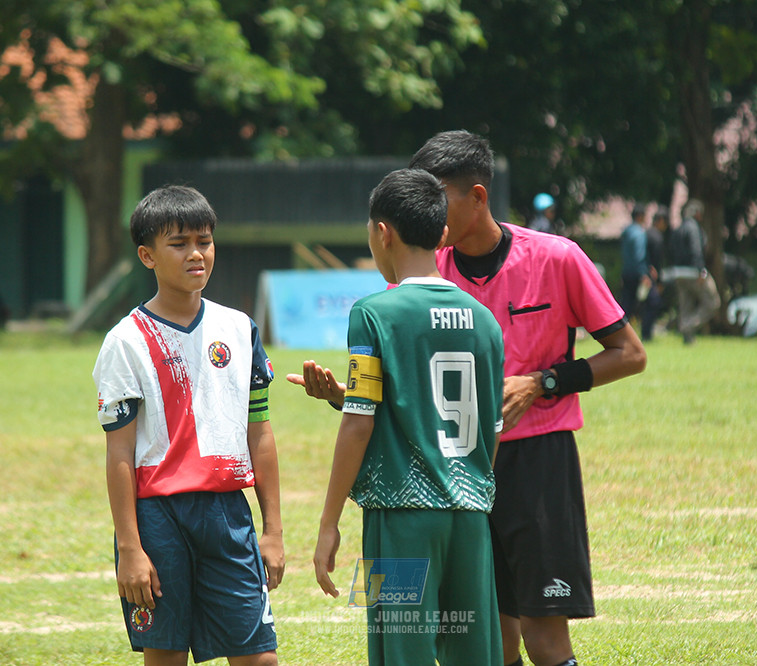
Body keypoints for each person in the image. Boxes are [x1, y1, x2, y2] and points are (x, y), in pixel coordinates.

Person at [292, 130, 647, 666]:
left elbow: (631, 353)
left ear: (477, 197)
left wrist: (542, 382)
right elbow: (403, 399)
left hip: (526, 466)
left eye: (438, 194)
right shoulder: (454, 299)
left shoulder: (556, 257)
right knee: (485, 640)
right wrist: (349, 397)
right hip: (466, 479)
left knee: (538, 635)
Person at [312, 168, 506, 665]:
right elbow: (494, 429)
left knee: (400, 653)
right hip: (470, 520)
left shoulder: (374, 313)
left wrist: (329, 523)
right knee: (473, 656)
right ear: (442, 234)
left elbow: (360, 421)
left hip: (399, 519)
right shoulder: (484, 320)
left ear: (382, 232)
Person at [93, 185, 283, 666]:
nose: (196, 254)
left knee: (259, 658)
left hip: (227, 514)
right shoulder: (125, 342)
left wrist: (273, 531)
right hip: (159, 519)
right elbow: (119, 455)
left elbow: (258, 431)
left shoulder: (240, 329)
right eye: (178, 244)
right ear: (147, 255)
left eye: (205, 240)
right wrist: (130, 548)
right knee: (166, 657)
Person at [669, 198, 720, 344]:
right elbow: (696, 249)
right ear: (697, 213)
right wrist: (701, 271)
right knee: (713, 302)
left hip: (678, 272)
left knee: (686, 305)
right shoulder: (693, 228)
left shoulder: (678, 229)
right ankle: (688, 326)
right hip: (693, 272)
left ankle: (688, 339)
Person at [640, 209, 669, 341]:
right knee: (653, 302)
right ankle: (646, 333)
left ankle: (645, 332)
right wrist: (660, 282)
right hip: (650, 275)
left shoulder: (646, 233)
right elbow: (657, 261)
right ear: (660, 221)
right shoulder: (656, 237)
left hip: (642, 272)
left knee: (644, 303)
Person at [619, 203, 649, 322]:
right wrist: (643, 273)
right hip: (636, 272)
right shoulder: (639, 233)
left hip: (626, 270)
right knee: (643, 301)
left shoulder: (626, 232)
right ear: (640, 216)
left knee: (626, 302)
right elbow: (639, 255)